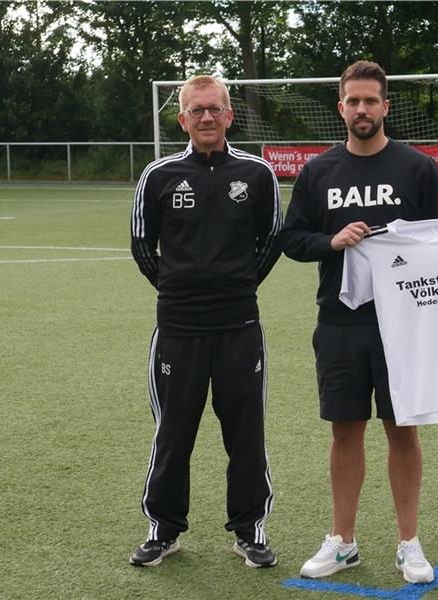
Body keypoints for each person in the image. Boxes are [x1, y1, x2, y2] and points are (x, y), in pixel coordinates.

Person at [281, 60, 438, 584]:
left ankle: (408, 543)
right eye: (352, 101)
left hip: (403, 325)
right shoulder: (318, 172)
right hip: (340, 322)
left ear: (385, 107)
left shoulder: (418, 168)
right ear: (340, 108)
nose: (361, 109)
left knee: (403, 430)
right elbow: (291, 239)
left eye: (370, 101)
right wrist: (331, 241)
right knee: (345, 430)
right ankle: (344, 541)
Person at [129, 75, 282, 569]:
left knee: (246, 434)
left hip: (240, 327)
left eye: (215, 109)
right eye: (197, 111)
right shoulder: (159, 175)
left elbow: (271, 240)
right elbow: (141, 244)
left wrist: (237, 286)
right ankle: (163, 530)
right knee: (173, 434)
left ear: (230, 115)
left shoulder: (256, 174)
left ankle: (249, 530)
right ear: (182, 120)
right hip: (178, 330)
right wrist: (178, 289)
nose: (207, 118)